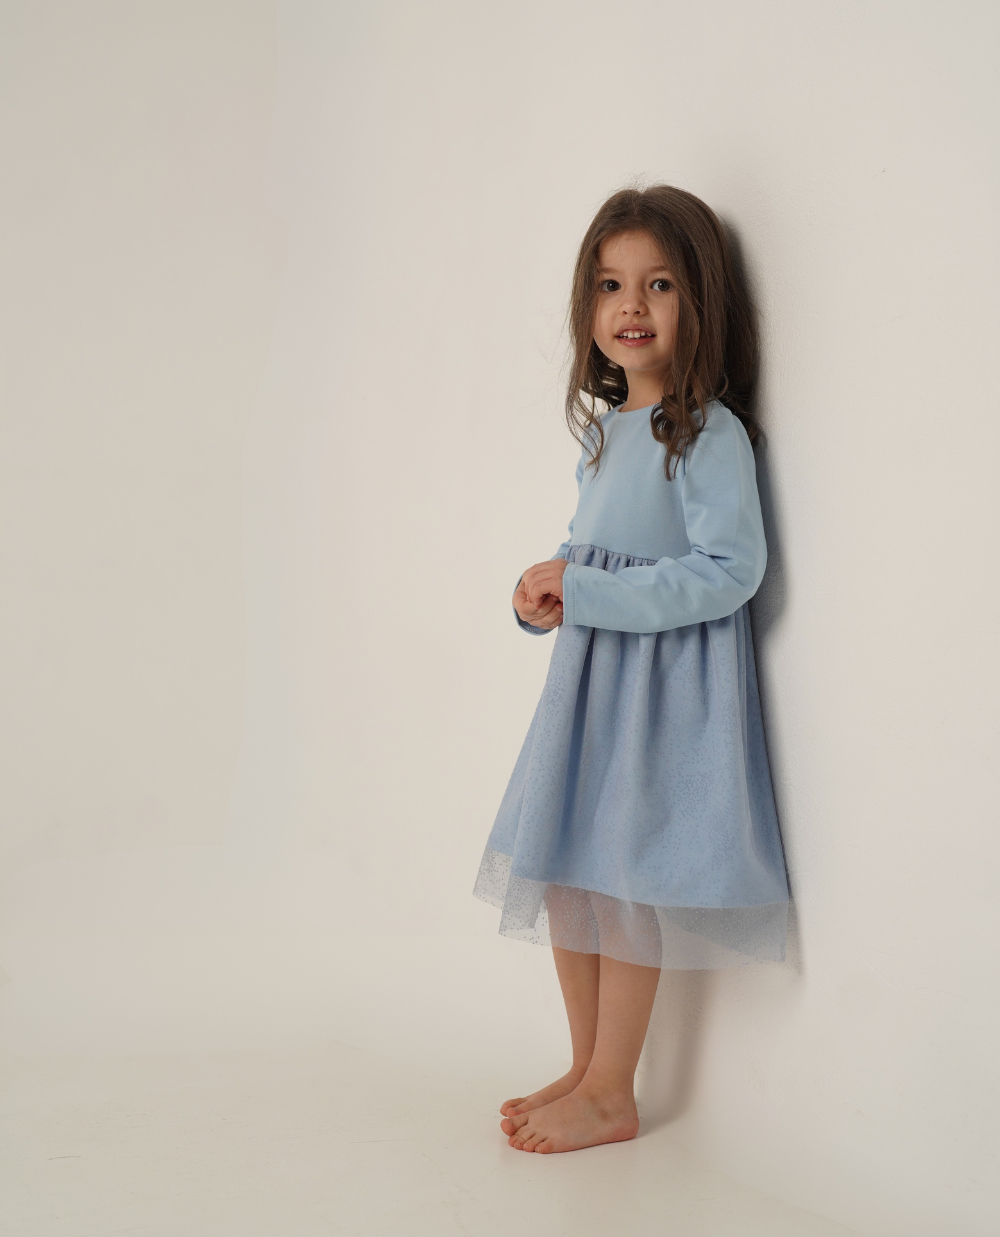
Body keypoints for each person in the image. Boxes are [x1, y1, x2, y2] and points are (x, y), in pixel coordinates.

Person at [472, 184, 790, 1154]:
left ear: (700, 300)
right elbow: (591, 550)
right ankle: (585, 1066)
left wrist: (592, 589)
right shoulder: (605, 432)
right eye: (611, 285)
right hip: (591, 689)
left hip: (657, 692)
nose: (632, 306)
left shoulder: (705, 432)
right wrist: (547, 593)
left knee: (621, 880)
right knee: (568, 875)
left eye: (659, 284)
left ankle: (615, 1088)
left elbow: (730, 570)